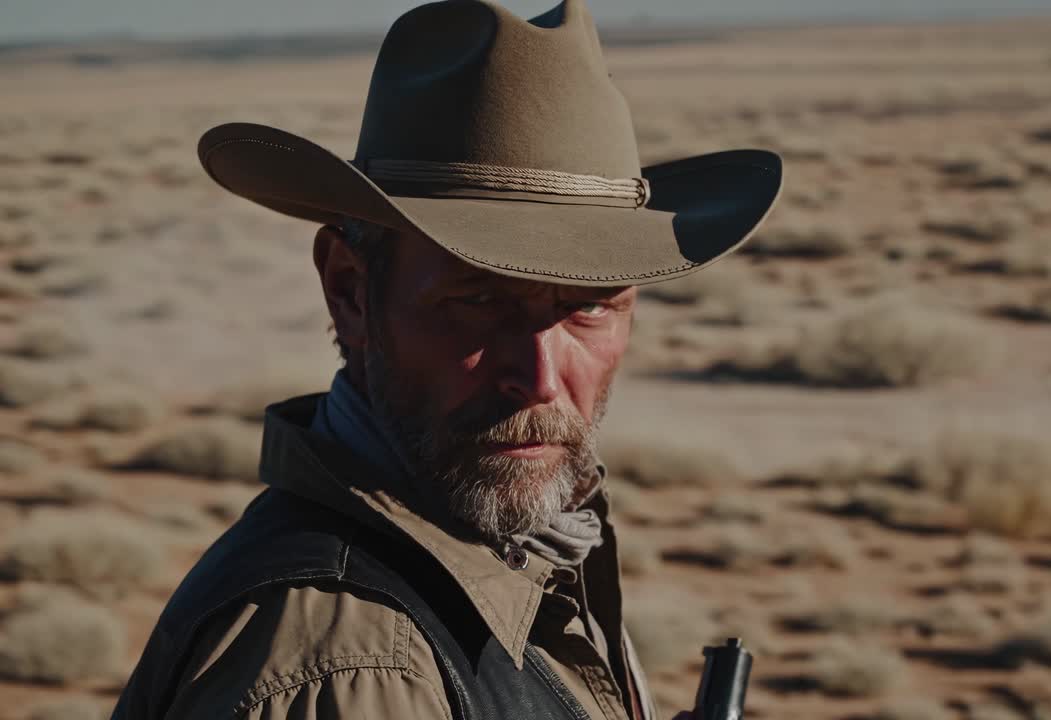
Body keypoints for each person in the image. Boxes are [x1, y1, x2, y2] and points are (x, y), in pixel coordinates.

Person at [110, 0, 781, 718]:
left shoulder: (502, 554)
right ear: (350, 292)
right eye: (480, 301)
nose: (541, 378)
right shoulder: (355, 671)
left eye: (588, 306)